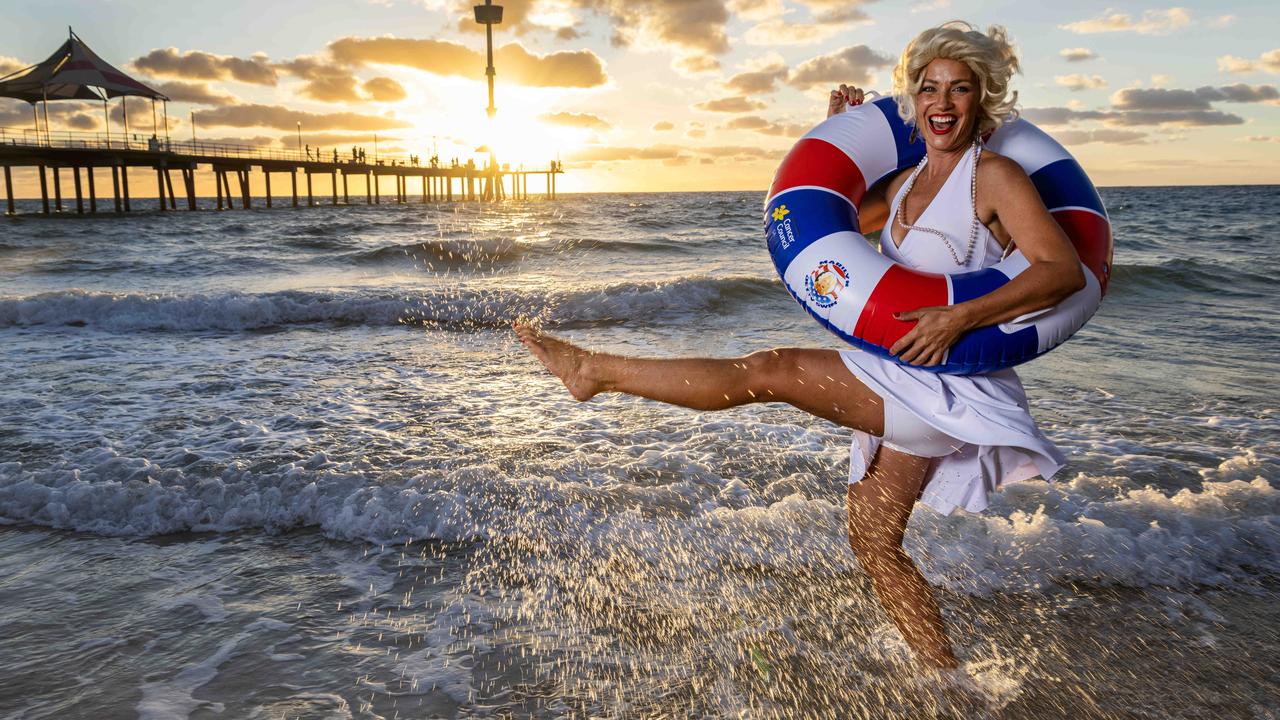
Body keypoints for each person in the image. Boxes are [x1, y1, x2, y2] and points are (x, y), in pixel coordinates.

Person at [515, 21, 1086, 670]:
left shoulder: (996, 178)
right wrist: (834, 133)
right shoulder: (902, 186)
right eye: (930, 89)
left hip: (942, 384)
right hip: (899, 367)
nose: (943, 103)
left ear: (981, 100)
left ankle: (593, 370)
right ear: (914, 100)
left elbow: (1060, 270)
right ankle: (945, 676)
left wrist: (960, 319)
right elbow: (833, 220)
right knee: (873, 540)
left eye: (960, 89)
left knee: (769, 370)